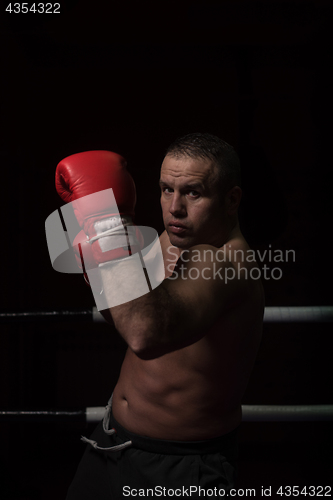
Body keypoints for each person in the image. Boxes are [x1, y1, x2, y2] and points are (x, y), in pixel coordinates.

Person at [60, 133, 264, 499]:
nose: (174, 208)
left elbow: (144, 333)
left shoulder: (226, 263)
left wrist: (107, 228)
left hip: (179, 467)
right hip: (110, 442)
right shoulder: (173, 240)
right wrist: (96, 260)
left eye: (193, 192)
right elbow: (126, 313)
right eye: (166, 189)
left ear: (231, 199)